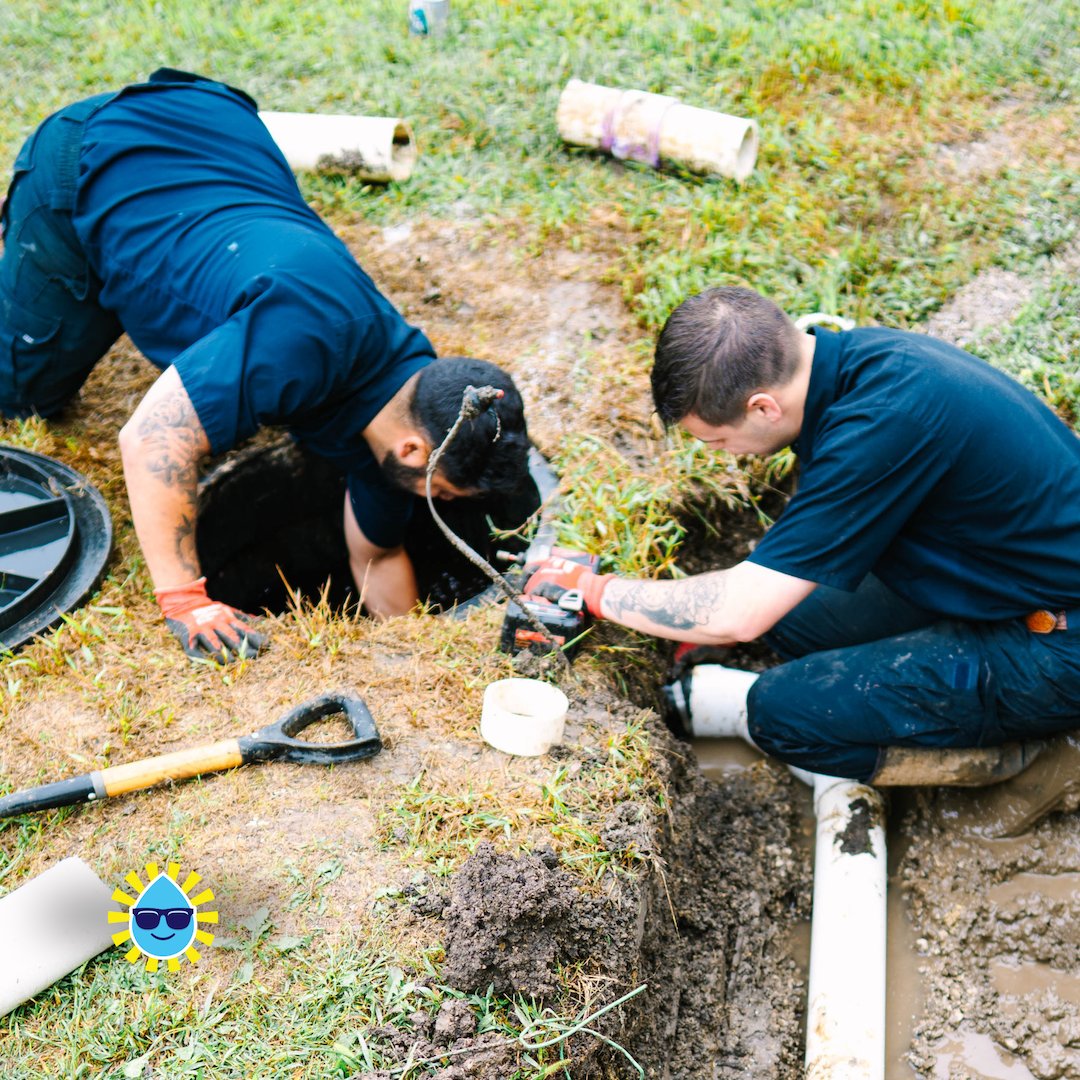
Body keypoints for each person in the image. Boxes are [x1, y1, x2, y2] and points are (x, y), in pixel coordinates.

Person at [0, 69, 529, 662]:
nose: (445, 504)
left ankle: (129, 253)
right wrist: (185, 600)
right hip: (101, 152)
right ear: (413, 451)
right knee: (20, 392)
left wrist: (412, 658)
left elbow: (377, 557)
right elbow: (152, 438)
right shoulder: (304, 340)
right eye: (448, 493)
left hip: (222, 136)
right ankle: (63, 244)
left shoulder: (406, 408)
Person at [526, 285, 1080, 783]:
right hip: (1001, 578)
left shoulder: (883, 425)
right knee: (790, 618)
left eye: (716, 442)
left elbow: (738, 612)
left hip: (1056, 640)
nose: (724, 457)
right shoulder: (858, 366)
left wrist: (594, 592)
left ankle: (1015, 763)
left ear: (762, 406)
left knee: (783, 716)